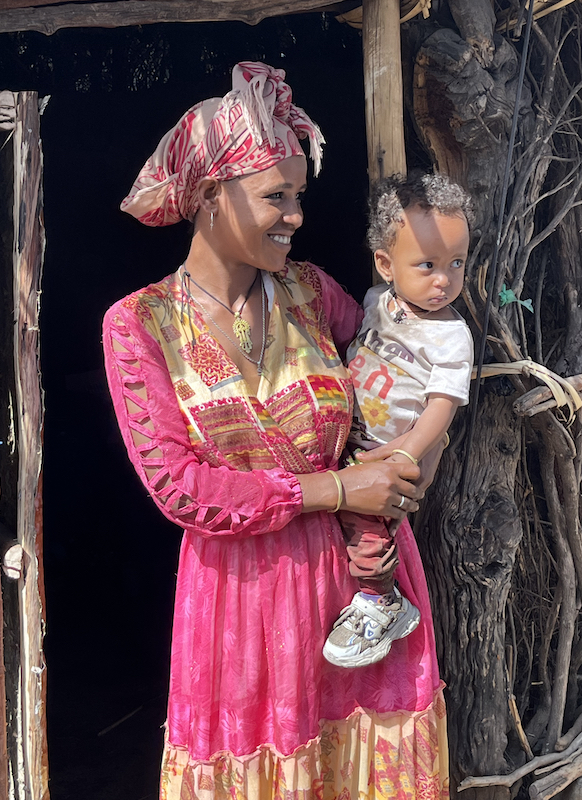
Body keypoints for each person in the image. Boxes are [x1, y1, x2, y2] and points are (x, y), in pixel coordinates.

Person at [103, 62, 449, 800]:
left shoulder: (313, 293)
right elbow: (181, 489)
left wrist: (414, 453)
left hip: (366, 601)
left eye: (299, 195)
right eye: (274, 196)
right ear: (208, 195)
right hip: (244, 616)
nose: (294, 214)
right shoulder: (141, 326)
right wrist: (338, 486)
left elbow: (407, 371)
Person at [323, 173, 474, 670]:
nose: (443, 280)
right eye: (427, 265)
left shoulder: (452, 337)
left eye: (456, 264)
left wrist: (409, 453)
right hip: (349, 440)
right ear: (386, 265)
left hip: (390, 453)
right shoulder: (376, 303)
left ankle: (379, 599)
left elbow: (441, 405)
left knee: (368, 530)